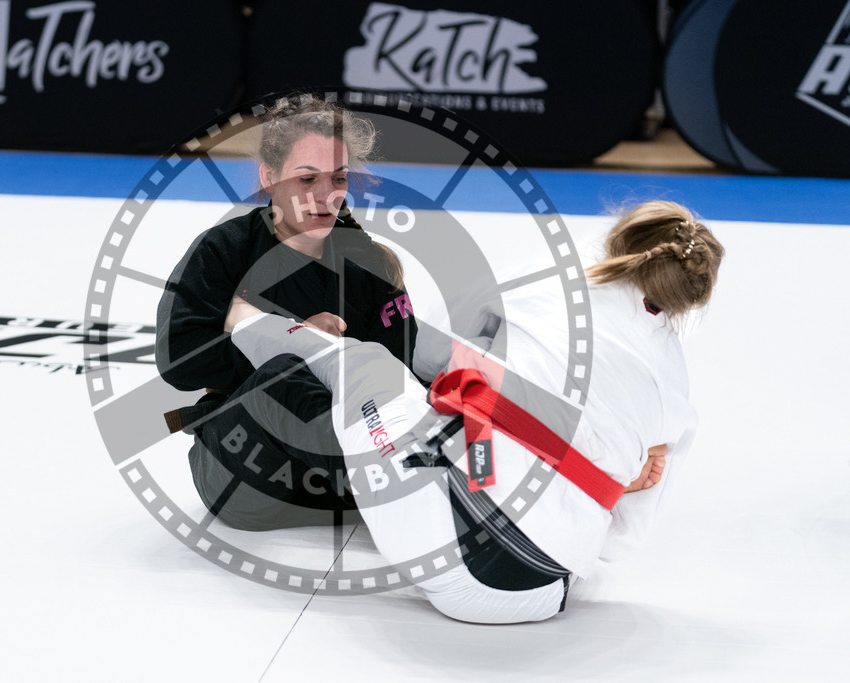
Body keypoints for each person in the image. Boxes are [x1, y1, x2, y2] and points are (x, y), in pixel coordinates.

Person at [224, 200, 725, 624]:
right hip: (541, 597)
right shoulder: (677, 397)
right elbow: (620, 545)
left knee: (365, 362)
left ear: (619, 240)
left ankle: (243, 322)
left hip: (440, 544)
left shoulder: (552, 279)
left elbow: (426, 353)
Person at [156, 94, 417, 531]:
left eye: (337, 178)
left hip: (341, 483)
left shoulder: (371, 265)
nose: (324, 195)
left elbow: (402, 371)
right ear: (270, 177)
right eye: (306, 179)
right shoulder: (224, 251)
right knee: (282, 375)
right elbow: (178, 359)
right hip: (244, 475)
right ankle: (414, 484)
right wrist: (294, 339)